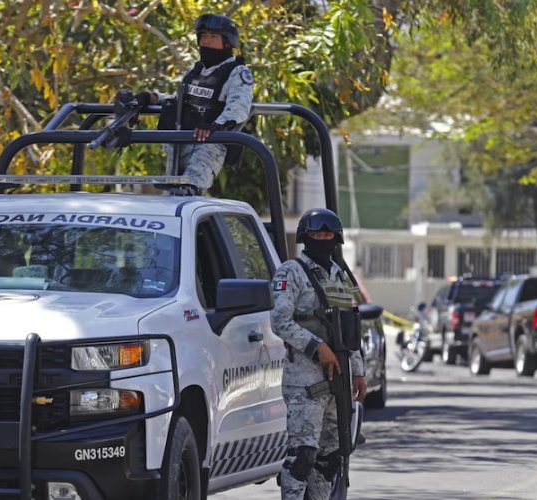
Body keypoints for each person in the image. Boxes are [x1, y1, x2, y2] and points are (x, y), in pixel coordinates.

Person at [270, 208, 367, 500]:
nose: (322, 239)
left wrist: (359, 371)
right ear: (305, 237)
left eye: (327, 235)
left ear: (336, 238)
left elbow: (350, 331)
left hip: (338, 381)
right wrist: (317, 348)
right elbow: (280, 322)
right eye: (316, 235)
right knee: (303, 457)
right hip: (305, 383)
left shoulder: (341, 276)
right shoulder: (291, 272)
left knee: (331, 457)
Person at [134, 13, 254, 192]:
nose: (206, 41)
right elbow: (180, 101)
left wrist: (215, 126)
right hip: (179, 143)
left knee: (188, 194)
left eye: (213, 37)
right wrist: (152, 98)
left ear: (227, 42)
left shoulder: (237, 73)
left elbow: (239, 108)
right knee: (171, 201)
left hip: (208, 147)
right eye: (203, 36)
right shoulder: (194, 71)